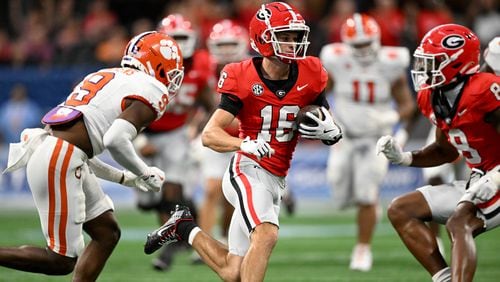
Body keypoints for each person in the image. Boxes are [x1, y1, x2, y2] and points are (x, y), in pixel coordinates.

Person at [143, 2, 342, 281]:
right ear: (263, 37)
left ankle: (184, 228)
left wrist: (331, 131)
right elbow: (210, 133)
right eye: (283, 36)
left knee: (232, 270)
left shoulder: (312, 72)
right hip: (247, 169)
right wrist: (243, 144)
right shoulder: (241, 74)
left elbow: (323, 119)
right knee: (267, 234)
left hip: (277, 175)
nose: (292, 43)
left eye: (295, 36)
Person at [0, 31, 184, 281]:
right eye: (171, 71)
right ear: (157, 65)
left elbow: (80, 147)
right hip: (58, 158)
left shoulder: (107, 74)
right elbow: (114, 140)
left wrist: (124, 178)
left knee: (106, 232)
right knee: (61, 260)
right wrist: (144, 171)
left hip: (55, 152)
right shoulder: (151, 89)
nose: (173, 79)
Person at [377, 24, 499, 282]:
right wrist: (404, 157)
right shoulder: (432, 97)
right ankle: (444, 278)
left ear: (458, 63)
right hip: (480, 178)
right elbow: (445, 151)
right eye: (424, 62)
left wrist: (496, 178)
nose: (425, 69)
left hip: (495, 177)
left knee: (460, 222)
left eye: (434, 62)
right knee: (401, 209)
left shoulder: (485, 89)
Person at [319, 13, 416, 272]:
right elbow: (321, 95)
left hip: (376, 139)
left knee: (366, 193)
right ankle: (368, 208)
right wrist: (323, 120)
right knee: (339, 196)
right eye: (357, 45)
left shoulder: (390, 63)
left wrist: (395, 119)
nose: (362, 50)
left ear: (376, 40)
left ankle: (362, 248)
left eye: (366, 43)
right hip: (344, 136)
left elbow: (408, 104)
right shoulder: (336, 59)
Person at [132, 14, 217, 271]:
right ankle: (180, 230)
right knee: (148, 201)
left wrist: (200, 129)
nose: (179, 44)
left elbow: (210, 103)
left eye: (184, 38)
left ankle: (172, 243)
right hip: (144, 129)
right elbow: (125, 103)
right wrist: (138, 138)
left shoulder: (202, 64)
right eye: (175, 38)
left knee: (173, 190)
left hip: (177, 132)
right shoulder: (147, 62)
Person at [194, 19, 248, 254]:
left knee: (232, 196)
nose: (226, 50)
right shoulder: (204, 69)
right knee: (212, 188)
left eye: (231, 43)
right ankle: (206, 246)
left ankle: (226, 237)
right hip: (216, 137)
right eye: (221, 44)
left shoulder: (252, 69)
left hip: (245, 140)